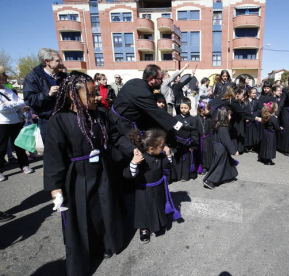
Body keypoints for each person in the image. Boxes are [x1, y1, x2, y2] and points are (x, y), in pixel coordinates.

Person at [43, 72, 136, 276]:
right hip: (77, 175)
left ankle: (107, 243)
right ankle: (89, 250)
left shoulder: (100, 116)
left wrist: (133, 149)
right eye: (92, 94)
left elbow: (115, 137)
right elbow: (53, 157)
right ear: (72, 95)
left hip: (103, 170)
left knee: (105, 208)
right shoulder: (60, 121)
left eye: (97, 94)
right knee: (83, 215)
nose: (98, 98)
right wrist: (55, 186)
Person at [124, 128, 180, 243]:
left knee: (158, 205)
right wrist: (134, 163)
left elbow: (168, 166)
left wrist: (169, 155)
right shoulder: (141, 158)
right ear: (151, 148)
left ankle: (159, 222)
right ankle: (144, 229)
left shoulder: (160, 156)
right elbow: (128, 175)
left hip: (158, 187)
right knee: (144, 210)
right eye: (161, 146)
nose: (163, 147)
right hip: (144, 190)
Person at [109, 64, 193, 139]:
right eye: (160, 79)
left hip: (117, 119)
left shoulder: (134, 81)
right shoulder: (144, 93)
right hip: (121, 125)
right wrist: (180, 127)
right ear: (151, 79)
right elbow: (159, 115)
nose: (162, 81)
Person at [23, 48, 67, 139]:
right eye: (58, 61)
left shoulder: (64, 77)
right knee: (53, 151)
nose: (61, 63)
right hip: (47, 121)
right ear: (47, 61)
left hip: (65, 119)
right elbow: (30, 100)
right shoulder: (33, 77)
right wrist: (48, 94)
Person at [0, 66, 34, 181]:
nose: (6, 76)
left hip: (16, 121)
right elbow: (2, 108)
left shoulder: (7, 89)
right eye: (3, 74)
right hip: (2, 123)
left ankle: (24, 165)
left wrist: (10, 103)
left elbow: (21, 102)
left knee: (19, 144)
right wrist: (15, 104)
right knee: (1, 147)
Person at [203, 107, 239, 189]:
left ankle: (229, 176)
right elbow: (227, 141)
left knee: (227, 163)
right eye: (229, 115)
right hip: (221, 149)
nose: (230, 117)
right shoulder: (224, 128)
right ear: (225, 116)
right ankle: (210, 181)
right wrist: (234, 151)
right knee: (219, 166)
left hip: (217, 147)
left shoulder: (216, 125)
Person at [174, 97, 198, 181]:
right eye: (181, 108)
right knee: (178, 160)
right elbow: (174, 131)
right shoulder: (176, 118)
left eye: (185, 108)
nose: (183, 109)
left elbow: (195, 133)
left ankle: (185, 176)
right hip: (178, 142)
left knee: (186, 161)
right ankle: (178, 176)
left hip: (188, 143)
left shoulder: (193, 119)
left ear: (190, 108)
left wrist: (193, 143)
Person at [195, 100, 213, 175]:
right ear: (202, 110)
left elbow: (211, 128)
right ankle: (202, 166)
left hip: (208, 138)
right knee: (201, 153)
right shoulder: (196, 119)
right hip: (200, 139)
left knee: (207, 152)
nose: (209, 111)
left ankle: (208, 166)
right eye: (207, 109)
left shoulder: (209, 118)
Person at [244, 87, 261, 152]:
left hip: (254, 119)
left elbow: (259, 110)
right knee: (247, 133)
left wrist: (254, 116)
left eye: (255, 93)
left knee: (253, 133)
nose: (255, 94)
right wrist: (247, 117)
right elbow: (243, 110)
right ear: (249, 94)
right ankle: (247, 145)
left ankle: (253, 146)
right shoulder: (245, 100)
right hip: (247, 119)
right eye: (253, 93)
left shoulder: (257, 101)